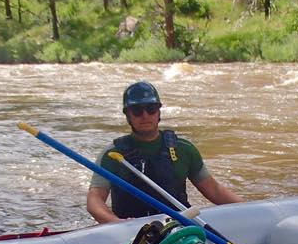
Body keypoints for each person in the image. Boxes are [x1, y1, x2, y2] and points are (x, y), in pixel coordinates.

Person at [86, 81, 242, 223]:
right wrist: (116, 223)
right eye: (137, 110)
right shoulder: (112, 155)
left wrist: (253, 208)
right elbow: (95, 201)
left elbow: (215, 190)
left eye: (151, 109)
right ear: (128, 115)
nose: (145, 115)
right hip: (132, 232)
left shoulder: (184, 149)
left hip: (178, 226)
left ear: (159, 112)